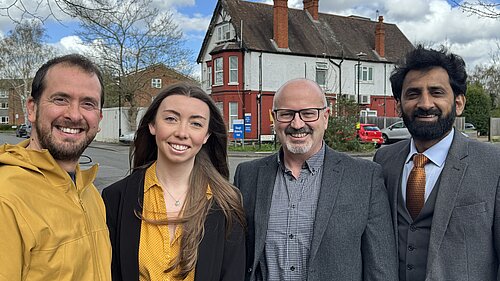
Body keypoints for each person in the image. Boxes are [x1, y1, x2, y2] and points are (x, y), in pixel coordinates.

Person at [234, 78, 398, 281]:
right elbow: (236, 257)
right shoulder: (247, 175)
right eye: (286, 114)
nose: (297, 124)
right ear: (274, 119)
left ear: (326, 117)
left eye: (308, 113)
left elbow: (381, 268)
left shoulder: (365, 177)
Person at [374, 45, 500, 281]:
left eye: (437, 92)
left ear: (459, 103)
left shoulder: (493, 164)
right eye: (413, 94)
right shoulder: (384, 160)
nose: (425, 103)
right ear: (399, 105)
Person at [102, 83, 246, 281]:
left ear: (206, 135)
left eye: (196, 123)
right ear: (153, 125)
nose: (182, 132)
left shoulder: (226, 203)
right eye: (171, 119)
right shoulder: (115, 198)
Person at [0, 54, 111, 280]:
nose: (74, 114)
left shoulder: (89, 192)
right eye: (60, 99)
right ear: (32, 109)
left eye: (88, 103)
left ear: (99, 119)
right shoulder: (6, 198)